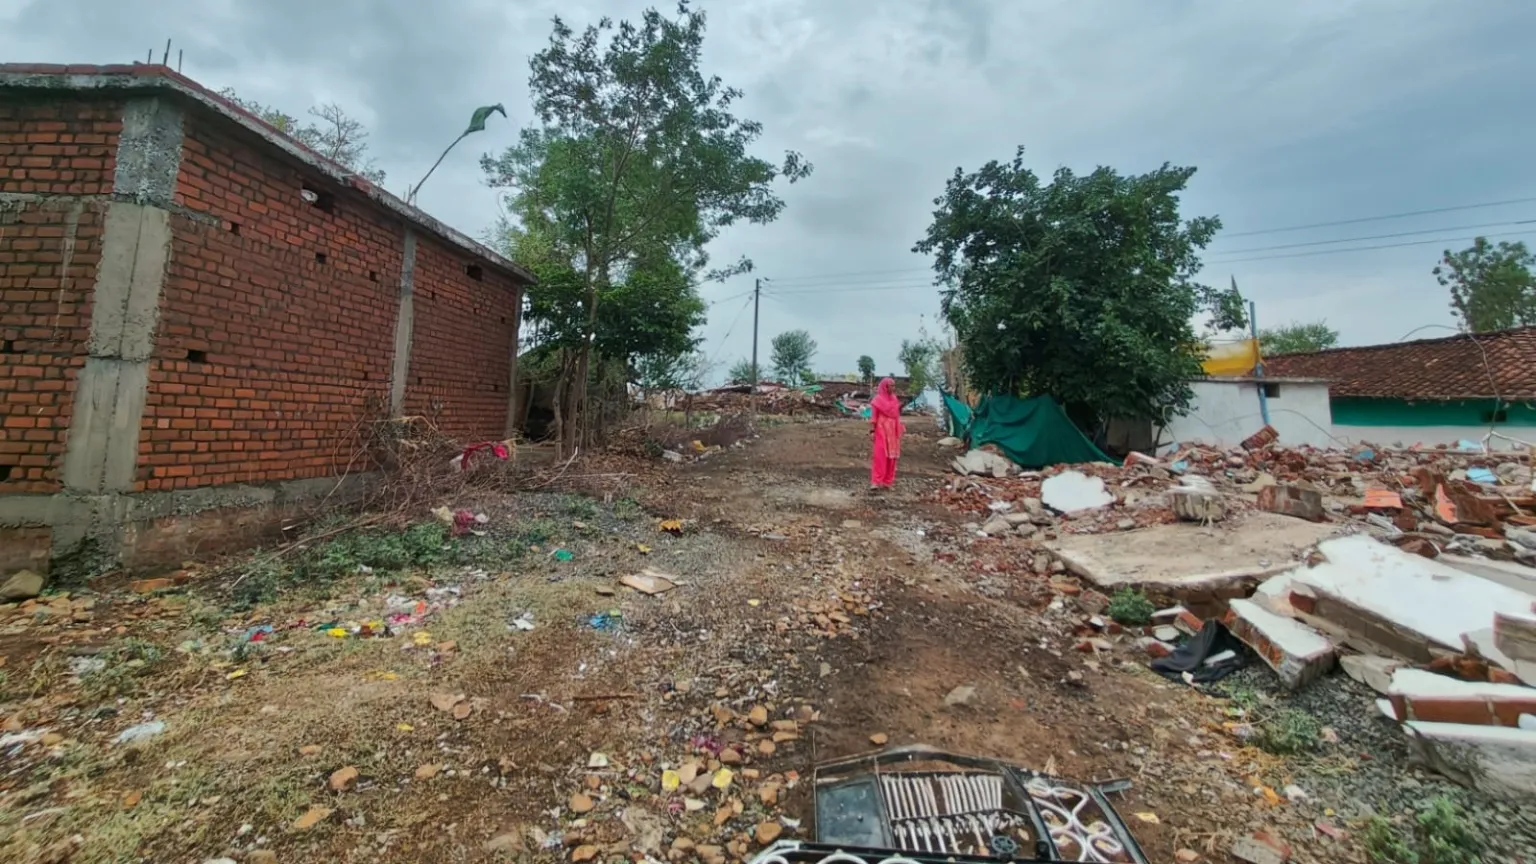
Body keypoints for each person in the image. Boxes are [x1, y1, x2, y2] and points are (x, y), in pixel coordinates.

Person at [868, 377, 905, 489]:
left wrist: (899, 428)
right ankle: (876, 481)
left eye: (894, 385)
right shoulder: (877, 400)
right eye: (891, 385)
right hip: (881, 429)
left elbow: (896, 415)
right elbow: (874, 417)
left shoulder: (894, 399)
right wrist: (873, 431)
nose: (893, 388)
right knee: (880, 456)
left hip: (893, 430)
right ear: (885, 386)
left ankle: (887, 482)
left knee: (892, 457)